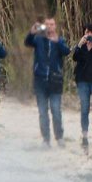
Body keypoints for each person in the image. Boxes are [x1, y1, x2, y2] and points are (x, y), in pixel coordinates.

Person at [25, 17, 70, 148]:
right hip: (40, 80)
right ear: (43, 26)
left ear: (55, 26)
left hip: (55, 80)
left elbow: (66, 52)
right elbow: (27, 42)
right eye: (47, 25)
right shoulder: (38, 39)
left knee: (56, 110)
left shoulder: (59, 40)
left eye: (52, 24)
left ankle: (59, 137)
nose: (50, 27)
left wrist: (57, 42)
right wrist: (32, 32)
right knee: (43, 112)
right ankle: (46, 139)